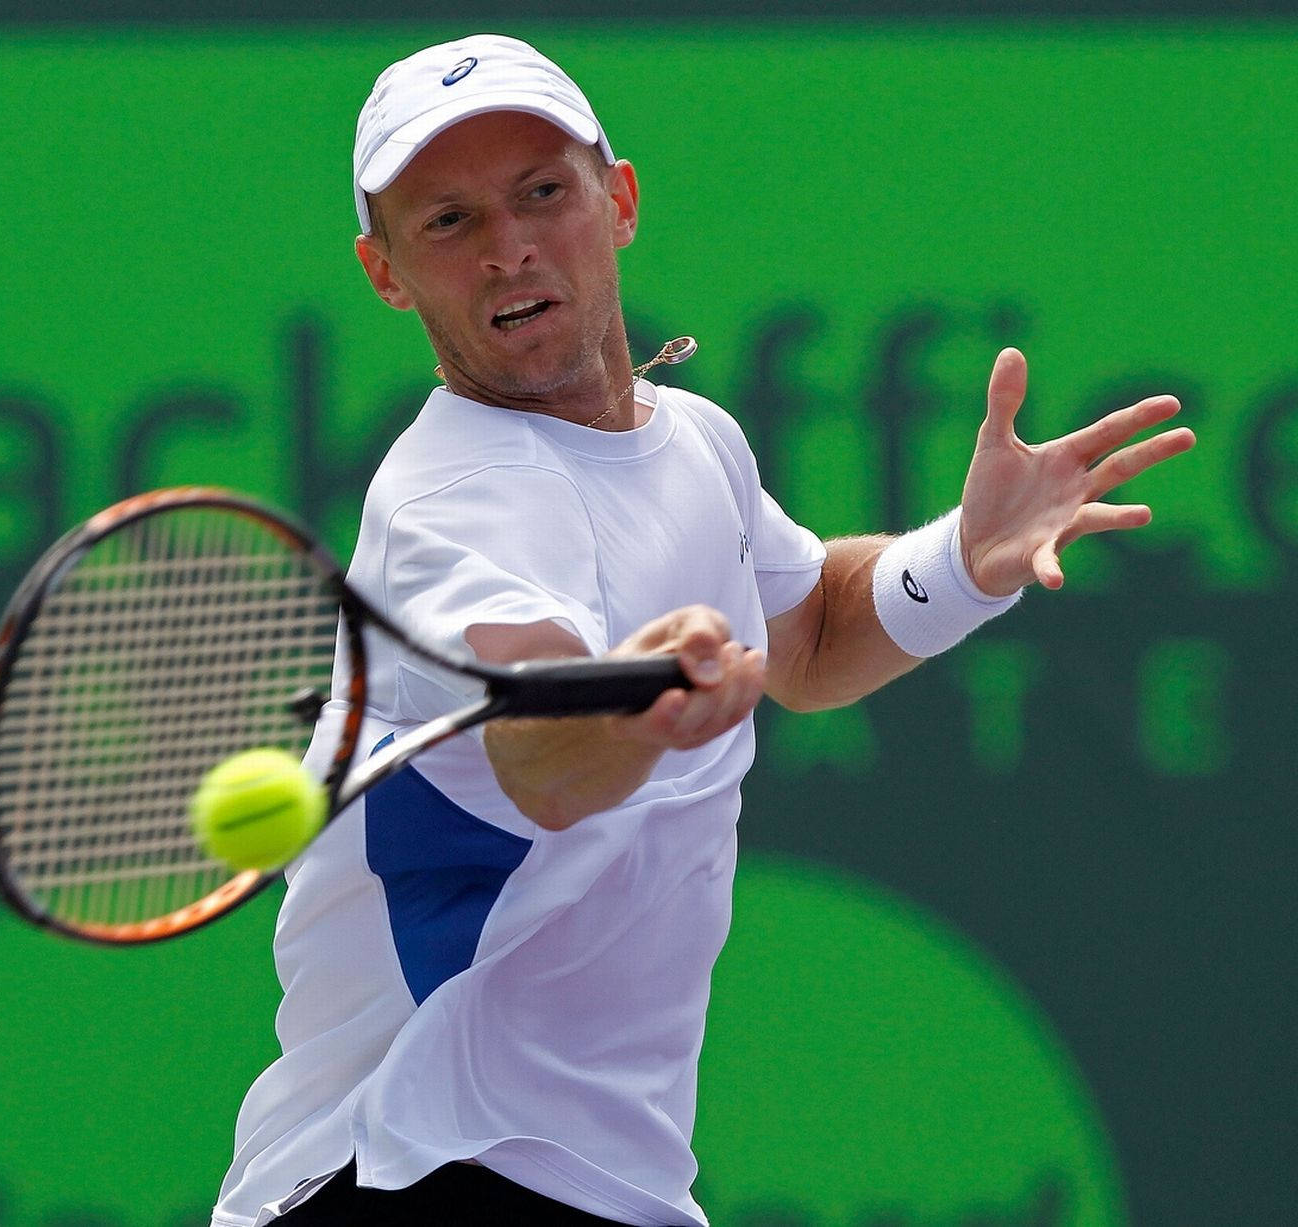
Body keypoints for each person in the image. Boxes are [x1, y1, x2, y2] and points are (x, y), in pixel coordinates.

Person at [210, 33, 1192, 1227]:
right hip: (420, 1156)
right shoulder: (453, 506)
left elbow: (814, 637)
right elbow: (538, 748)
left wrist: (963, 562)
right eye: (449, 222)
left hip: (586, 1173)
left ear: (616, 201)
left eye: (541, 193)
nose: (510, 245)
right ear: (386, 273)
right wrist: (646, 714)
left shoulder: (696, 443)